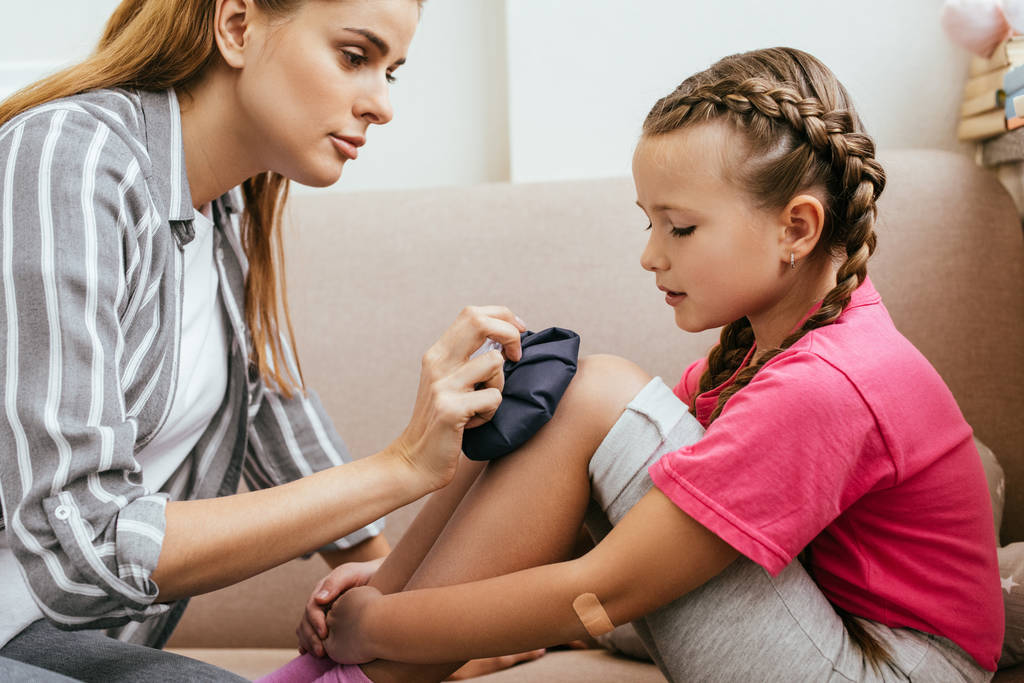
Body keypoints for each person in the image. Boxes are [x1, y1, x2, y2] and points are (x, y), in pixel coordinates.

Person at [267, 47, 1004, 682]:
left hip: (893, 667)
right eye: (648, 223)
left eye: (680, 227)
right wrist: (394, 588)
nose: (651, 255)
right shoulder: (767, 353)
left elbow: (604, 587)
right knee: (564, 394)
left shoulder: (826, 386)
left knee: (595, 392)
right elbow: (559, 493)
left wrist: (384, 624)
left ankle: (362, 664)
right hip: (841, 637)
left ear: (797, 228)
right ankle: (353, 659)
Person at [0, 0, 537, 680]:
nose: (381, 105)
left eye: (391, 72)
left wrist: (401, 602)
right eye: (354, 56)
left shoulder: (223, 211)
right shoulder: (70, 162)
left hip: (61, 641)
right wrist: (400, 464)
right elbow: (82, 547)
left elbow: (270, 420)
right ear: (236, 25)